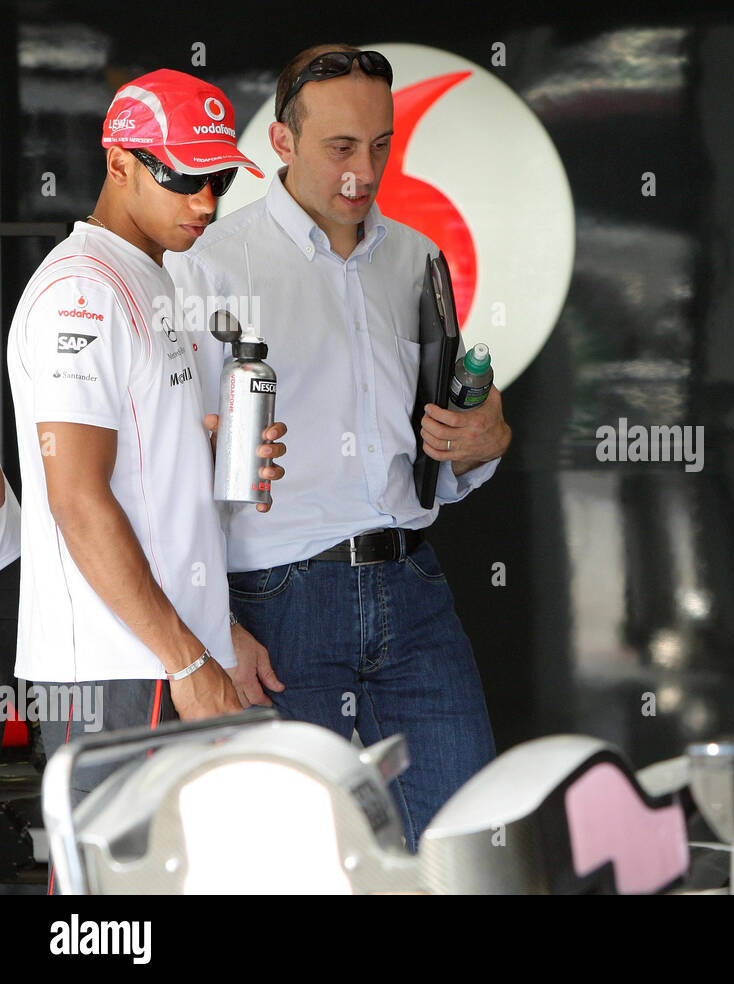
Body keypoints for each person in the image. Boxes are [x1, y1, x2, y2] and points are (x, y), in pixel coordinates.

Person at [166, 44, 511, 852]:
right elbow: (168, 466)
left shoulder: (419, 261)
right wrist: (213, 624)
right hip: (276, 605)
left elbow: (439, 449)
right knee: (295, 863)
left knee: (463, 852)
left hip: (415, 587)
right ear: (282, 143)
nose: (364, 171)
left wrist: (483, 439)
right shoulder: (212, 265)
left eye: (381, 145)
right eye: (341, 147)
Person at [6, 68, 287, 809]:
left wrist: (216, 630)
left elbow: (148, 485)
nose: (205, 202)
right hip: (118, 669)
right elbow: (77, 500)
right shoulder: (82, 293)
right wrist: (188, 659)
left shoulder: (154, 279)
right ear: (119, 163)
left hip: (166, 653)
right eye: (184, 177)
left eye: (220, 178)